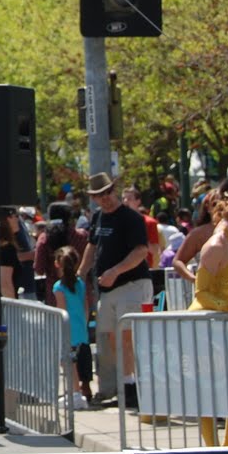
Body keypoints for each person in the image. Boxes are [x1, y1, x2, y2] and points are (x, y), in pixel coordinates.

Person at [77, 173, 151, 410]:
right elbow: (92, 245)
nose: (105, 199)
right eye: (99, 195)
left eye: (107, 193)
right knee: (110, 338)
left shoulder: (131, 218)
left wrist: (116, 271)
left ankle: (132, 390)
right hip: (107, 289)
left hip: (131, 284)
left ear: (114, 191)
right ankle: (120, 386)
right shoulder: (98, 217)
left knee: (127, 337)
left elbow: (141, 251)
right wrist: (80, 274)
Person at [186, 191, 228, 446]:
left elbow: (225, 281)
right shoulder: (216, 244)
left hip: (227, 318)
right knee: (208, 389)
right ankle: (213, 448)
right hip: (207, 321)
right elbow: (201, 292)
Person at [51, 246, 92, 409]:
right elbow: (86, 306)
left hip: (67, 329)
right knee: (72, 360)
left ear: (57, 264)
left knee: (68, 362)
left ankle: (75, 394)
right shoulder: (80, 283)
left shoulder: (58, 287)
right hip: (80, 328)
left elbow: (62, 310)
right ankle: (76, 393)